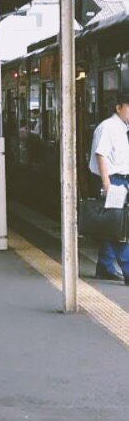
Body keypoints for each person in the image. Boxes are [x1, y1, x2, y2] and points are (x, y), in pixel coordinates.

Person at [88, 95, 129, 282]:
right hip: (112, 181)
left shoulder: (122, 128)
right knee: (119, 227)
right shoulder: (108, 127)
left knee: (111, 225)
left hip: (121, 180)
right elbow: (101, 155)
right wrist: (107, 184)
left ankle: (105, 265)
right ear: (118, 107)